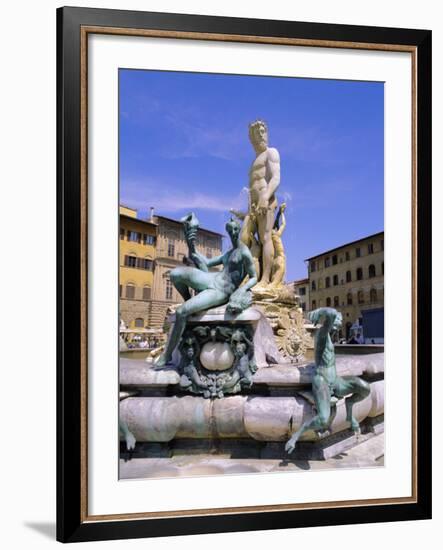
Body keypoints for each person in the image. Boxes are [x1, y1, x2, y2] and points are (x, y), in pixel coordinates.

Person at [154, 217, 257, 368]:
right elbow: (207, 263)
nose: (233, 233)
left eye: (236, 230)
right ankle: (190, 302)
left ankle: (167, 355)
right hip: (211, 278)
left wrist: (241, 289)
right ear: (228, 232)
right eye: (230, 230)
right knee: (175, 274)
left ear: (239, 231)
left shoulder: (244, 253)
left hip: (222, 290)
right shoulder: (229, 253)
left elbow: (254, 277)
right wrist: (191, 245)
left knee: (181, 312)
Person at [285, 308, 370, 454]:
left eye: (341, 322)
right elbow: (330, 315)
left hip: (336, 381)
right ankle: (296, 435)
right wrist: (319, 313)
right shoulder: (322, 335)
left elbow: (332, 317)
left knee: (365, 387)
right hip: (322, 380)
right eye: (338, 322)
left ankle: (349, 411)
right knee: (323, 419)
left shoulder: (330, 336)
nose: (339, 324)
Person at [247, 120, 281, 287]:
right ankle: (250, 277)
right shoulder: (254, 161)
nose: (261, 135)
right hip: (253, 205)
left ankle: (265, 279)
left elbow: (275, 178)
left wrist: (265, 196)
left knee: (266, 237)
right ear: (251, 138)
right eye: (257, 132)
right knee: (245, 239)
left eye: (263, 131)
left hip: (265, 201)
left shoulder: (271, 152)